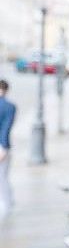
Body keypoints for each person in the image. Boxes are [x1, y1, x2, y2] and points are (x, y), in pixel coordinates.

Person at [0, 79, 16, 218]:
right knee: (3, 176)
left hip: (1, 146)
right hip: (3, 145)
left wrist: (3, 147)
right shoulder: (10, 106)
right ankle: (8, 201)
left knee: (2, 176)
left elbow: (5, 128)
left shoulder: (7, 106)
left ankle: (7, 203)